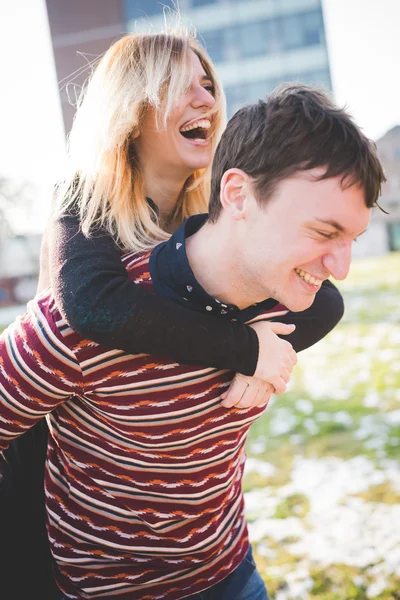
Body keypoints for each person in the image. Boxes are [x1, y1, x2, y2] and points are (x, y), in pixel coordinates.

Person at [0, 80, 385, 599]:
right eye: (323, 232)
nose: (341, 266)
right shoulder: (83, 322)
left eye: (351, 240)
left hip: (232, 572)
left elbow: (330, 304)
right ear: (237, 195)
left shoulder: (284, 302)